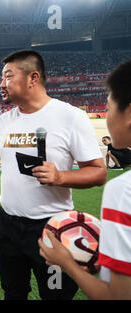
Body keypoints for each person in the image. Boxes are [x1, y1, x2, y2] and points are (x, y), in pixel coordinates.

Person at [0, 49, 107, 300]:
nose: (1, 84)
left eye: (8, 76)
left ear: (33, 78)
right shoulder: (7, 119)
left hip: (51, 229)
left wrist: (61, 177)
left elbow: (98, 172)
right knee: (13, 291)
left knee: (55, 295)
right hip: (8, 224)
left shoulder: (70, 117)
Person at [39, 59, 131, 300]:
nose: (107, 117)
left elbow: (118, 296)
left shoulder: (123, 191)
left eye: (108, 108)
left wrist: (65, 263)